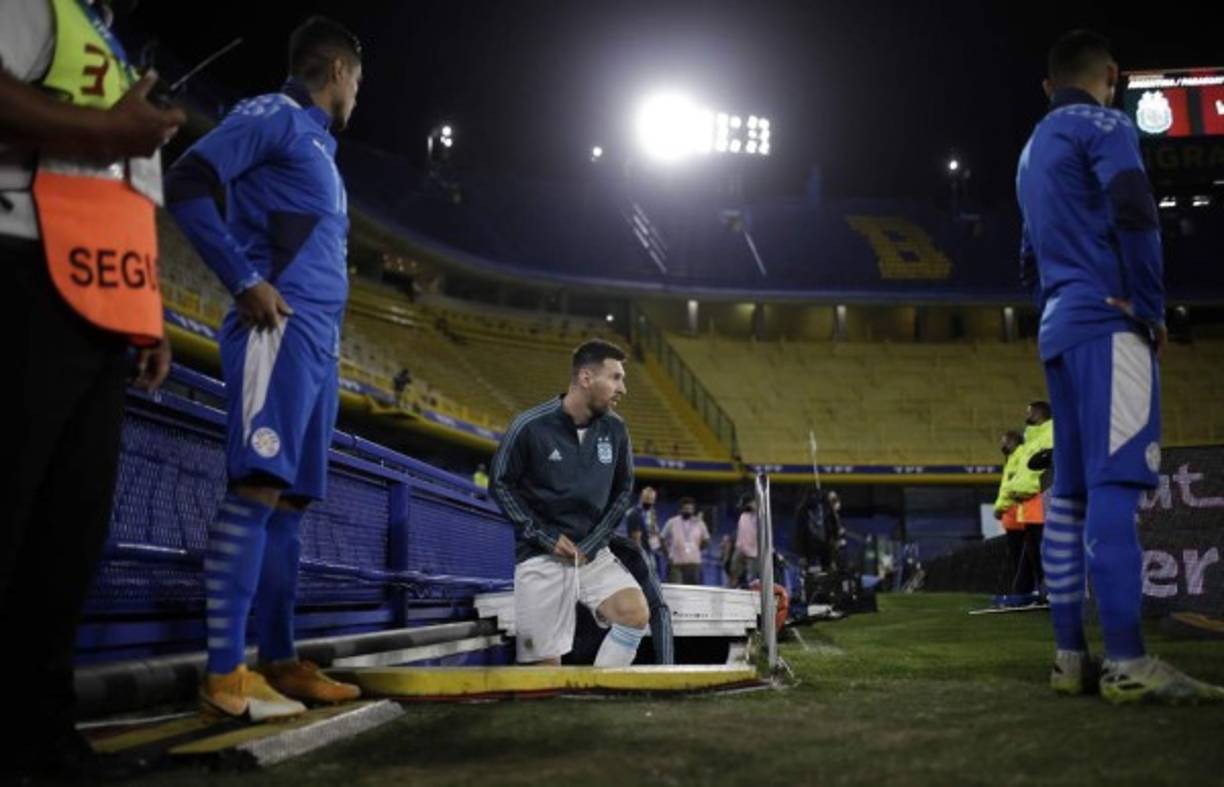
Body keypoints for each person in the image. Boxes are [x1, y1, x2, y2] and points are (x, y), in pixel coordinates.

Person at [1, 0, 183, 775]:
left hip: (100, 305)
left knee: (65, 542)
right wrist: (108, 132)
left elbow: (121, 197)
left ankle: (40, 739)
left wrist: (146, 309)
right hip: (20, 272)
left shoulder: (98, 29)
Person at [165, 16, 365, 719]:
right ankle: (225, 673)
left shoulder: (316, 146)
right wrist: (243, 278)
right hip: (274, 332)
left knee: (287, 510)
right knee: (256, 490)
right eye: (357, 81)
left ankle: (279, 662)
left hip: (316, 344)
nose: (357, 95)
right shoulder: (273, 115)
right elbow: (186, 179)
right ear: (338, 71)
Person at [1016, 30, 1223, 704]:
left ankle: (1069, 656)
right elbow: (1135, 209)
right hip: (1111, 325)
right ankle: (1129, 659)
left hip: (1058, 329)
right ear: (1112, 75)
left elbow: (1027, 257)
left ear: (1050, 86)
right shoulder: (1107, 123)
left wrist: (1055, 310)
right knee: (1115, 487)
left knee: (1069, 498)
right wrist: (1151, 307)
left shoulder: (1030, 151)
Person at [489, 339, 649, 665]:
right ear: (587, 378)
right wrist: (545, 537)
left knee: (634, 613)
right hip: (541, 554)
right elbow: (500, 484)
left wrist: (592, 543)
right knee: (544, 671)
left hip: (592, 553)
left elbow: (623, 491)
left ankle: (601, 693)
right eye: (615, 378)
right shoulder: (529, 426)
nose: (623, 388)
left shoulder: (616, 429)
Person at [992, 430, 1035, 602]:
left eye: (1003, 441)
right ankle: (1023, 591)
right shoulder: (1013, 458)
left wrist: (1000, 507)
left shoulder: (1019, 457)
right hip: (1014, 516)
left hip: (1018, 516)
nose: (1001, 445)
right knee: (1021, 557)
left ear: (1011, 442)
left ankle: (1026, 592)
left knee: (1023, 557)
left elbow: (1011, 487)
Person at [661, 497, 709, 585]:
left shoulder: (699, 523)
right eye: (685, 509)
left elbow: (706, 540)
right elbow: (662, 538)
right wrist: (667, 554)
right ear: (680, 509)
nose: (688, 511)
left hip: (693, 563)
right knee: (675, 590)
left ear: (693, 510)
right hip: (676, 563)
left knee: (693, 591)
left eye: (690, 509)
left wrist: (697, 549)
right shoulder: (672, 522)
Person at [624, 486, 666, 578]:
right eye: (647, 499)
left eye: (651, 499)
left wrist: (658, 548)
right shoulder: (634, 513)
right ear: (641, 498)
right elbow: (635, 537)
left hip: (652, 550)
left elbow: (654, 531)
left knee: (654, 576)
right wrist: (640, 555)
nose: (649, 502)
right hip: (641, 552)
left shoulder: (651, 513)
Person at [729, 497, 759, 587]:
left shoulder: (761, 517)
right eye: (748, 504)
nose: (749, 506)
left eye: (752, 503)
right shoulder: (743, 516)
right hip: (740, 549)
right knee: (734, 572)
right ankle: (731, 590)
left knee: (752, 578)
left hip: (754, 552)